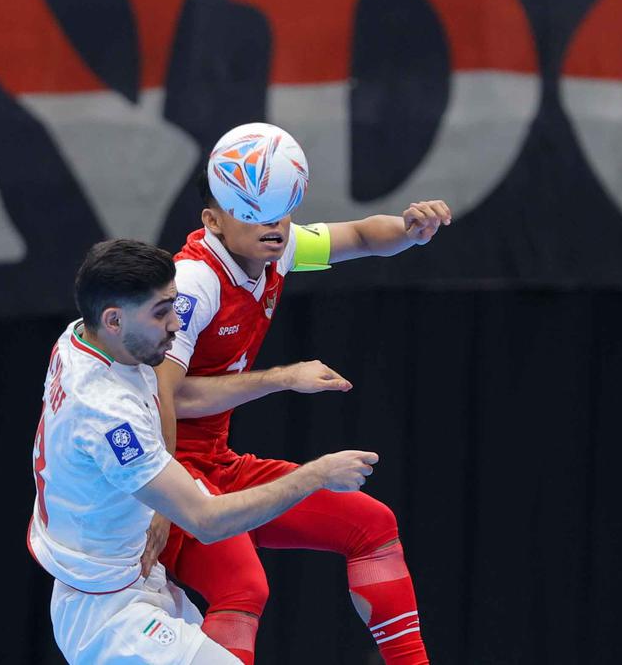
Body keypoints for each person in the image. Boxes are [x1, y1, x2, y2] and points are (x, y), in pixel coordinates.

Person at [27, 239, 381, 664]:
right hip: (106, 613)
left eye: (173, 305)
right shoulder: (107, 412)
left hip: (133, 577)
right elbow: (207, 520)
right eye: (161, 313)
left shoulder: (81, 338)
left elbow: (183, 398)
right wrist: (317, 475)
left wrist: (282, 378)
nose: (177, 324)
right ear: (114, 319)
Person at [150, 166, 451, 664]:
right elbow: (166, 397)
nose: (273, 224)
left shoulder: (276, 246)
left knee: (371, 525)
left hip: (217, 466)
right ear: (213, 220)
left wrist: (410, 231)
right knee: (243, 586)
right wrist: (282, 378)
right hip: (167, 478)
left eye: (281, 210)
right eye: (252, 212)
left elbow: (358, 236)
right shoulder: (194, 283)